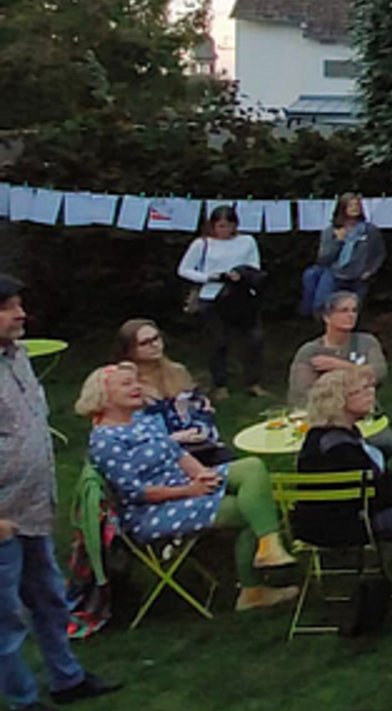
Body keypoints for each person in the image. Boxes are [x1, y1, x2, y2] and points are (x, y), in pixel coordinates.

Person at [0, 274, 119, 711]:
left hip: (32, 508)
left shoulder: (17, 357)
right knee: (6, 617)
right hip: (2, 519)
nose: (21, 314)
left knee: (49, 596)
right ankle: (23, 702)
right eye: (8, 307)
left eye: (19, 304)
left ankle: (66, 679)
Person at [80, 362, 298, 613]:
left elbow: (177, 453)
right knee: (249, 510)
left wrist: (201, 473)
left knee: (251, 467)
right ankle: (252, 590)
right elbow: (136, 492)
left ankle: (269, 545)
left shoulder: (140, 420)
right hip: (153, 510)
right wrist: (190, 491)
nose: (136, 387)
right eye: (126, 384)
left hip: (183, 483)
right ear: (103, 395)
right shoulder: (106, 440)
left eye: (136, 381)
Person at [296, 368, 392, 594]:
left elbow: (372, 472)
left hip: (362, 503)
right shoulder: (337, 448)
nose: (371, 393)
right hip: (349, 521)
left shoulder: (341, 432)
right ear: (339, 401)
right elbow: (368, 495)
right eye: (362, 390)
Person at [178, 203, 266, 400]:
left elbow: (254, 266)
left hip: (240, 296)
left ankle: (253, 382)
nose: (224, 230)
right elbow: (184, 269)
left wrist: (241, 274)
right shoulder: (202, 244)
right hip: (212, 297)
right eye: (220, 226)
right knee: (218, 342)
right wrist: (209, 277)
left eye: (228, 226)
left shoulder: (247, 241)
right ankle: (220, 384)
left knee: (254, 340)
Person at [116, 317, 222, 465]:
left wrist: (199, 429)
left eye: (156, 338)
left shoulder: (178, 371)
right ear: (129, 350)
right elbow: (128, 431)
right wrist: (174, 438)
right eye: (145, 343)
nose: (154, 345)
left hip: (198, 443)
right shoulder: (125, 383)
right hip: (158, 454)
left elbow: (201, 407)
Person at [287, 288, 389, 410]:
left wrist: (341, 365)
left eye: (354, 310)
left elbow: (379, 374)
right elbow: (300, 394)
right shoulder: (310, 351)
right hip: (324, 413)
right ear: (327, 317)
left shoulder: (367, 342)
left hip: (364, 409)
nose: (351, 315)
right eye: (344, 310)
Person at [316, 192, 386, 312]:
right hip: (334, 276)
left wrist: (370, 270)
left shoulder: (370, 230)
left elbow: (379, 253)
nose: (354, 208)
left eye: (357, 205)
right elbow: (323, 259)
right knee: (325, 308)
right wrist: (337, 241)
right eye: (351, 205)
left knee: (352, 311)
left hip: (358, 278)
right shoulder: (330, 231)